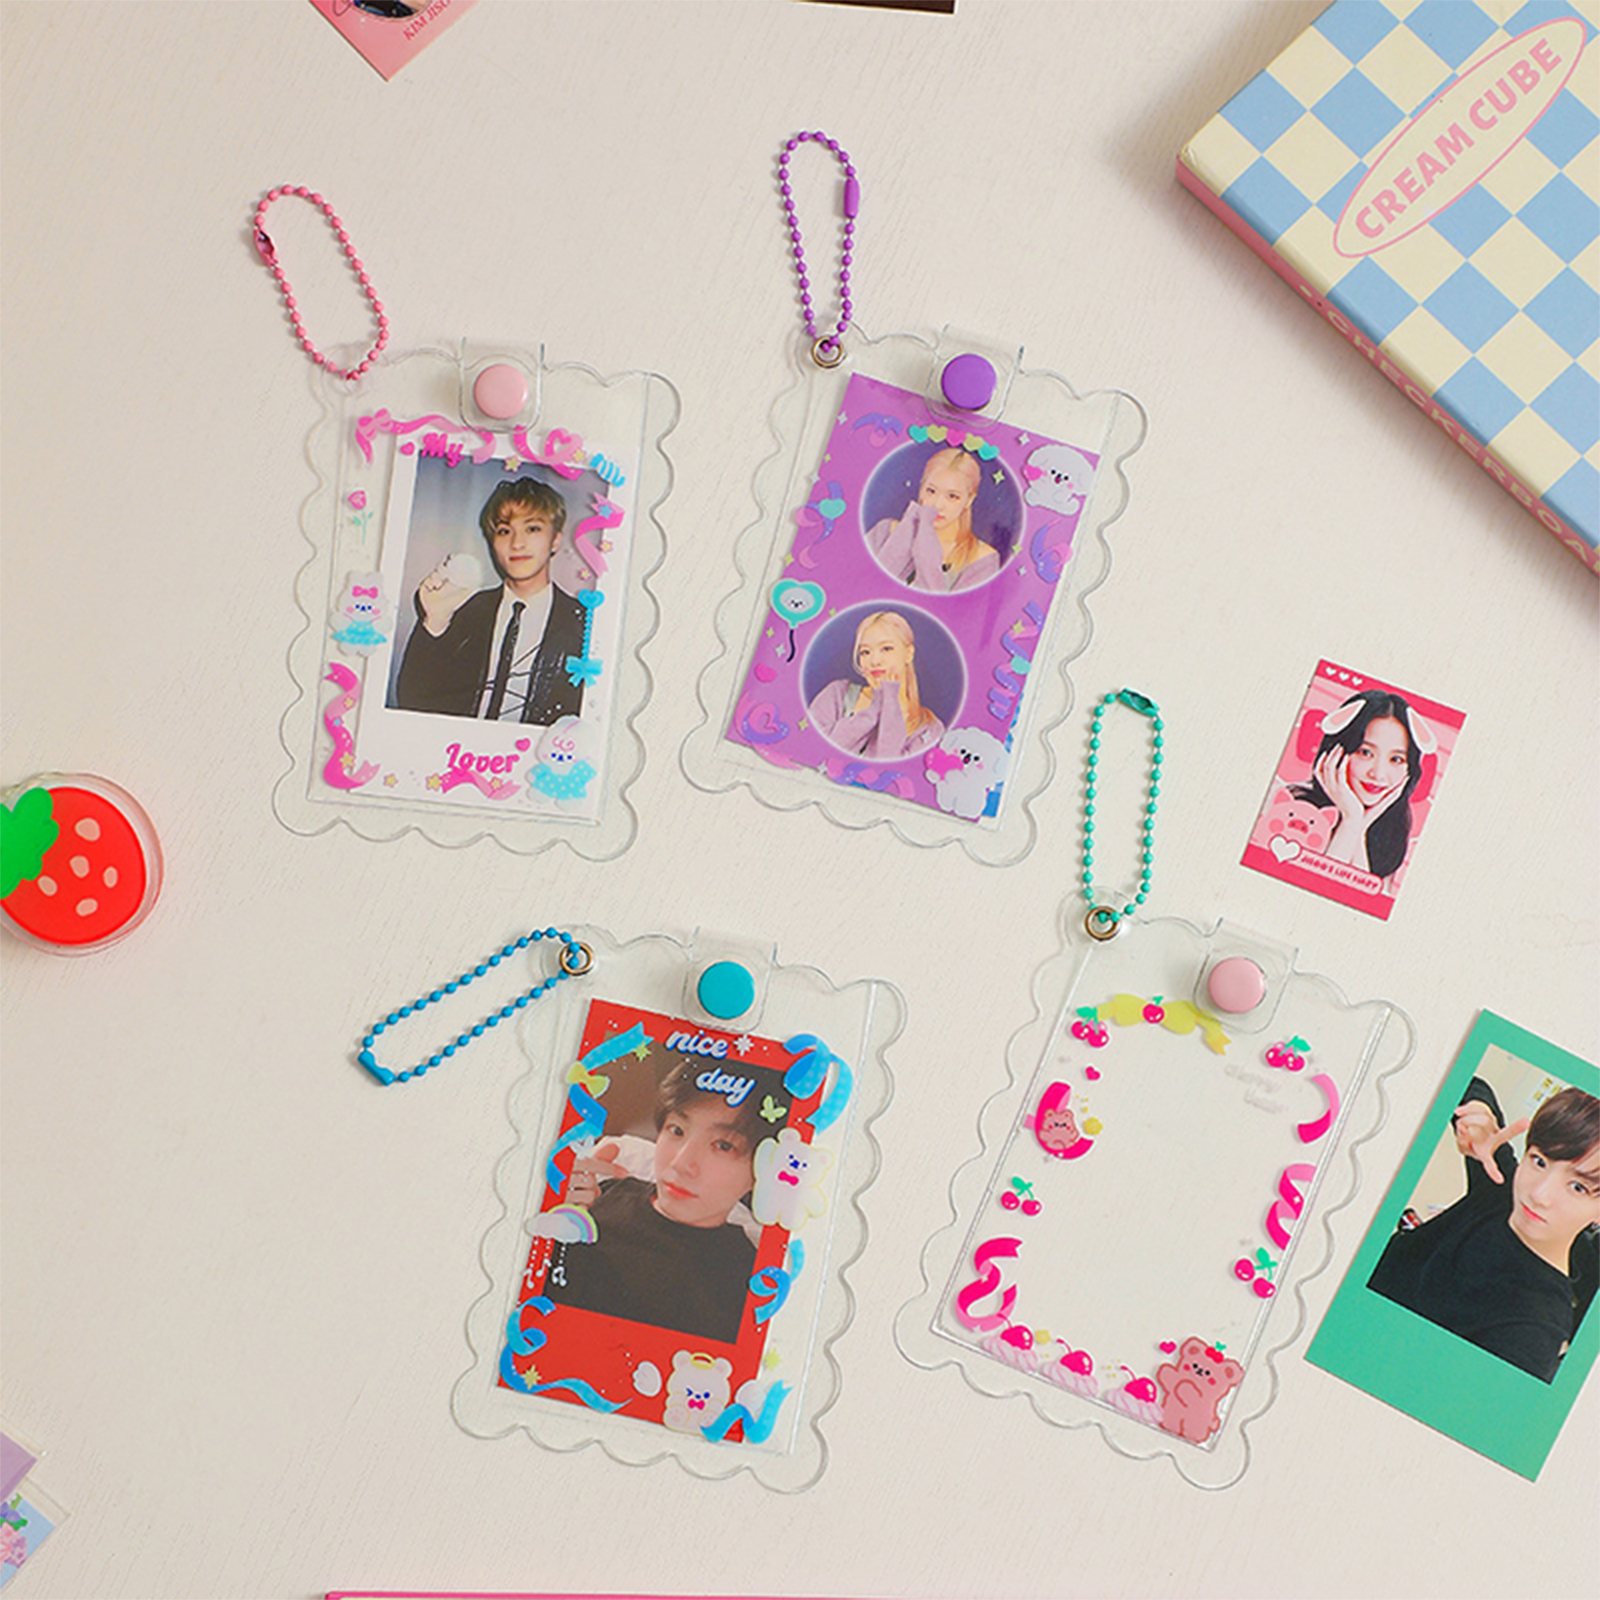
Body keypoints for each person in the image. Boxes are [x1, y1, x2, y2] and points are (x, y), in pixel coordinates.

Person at [1368, 1080, 1600, 1382]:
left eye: (1578, 1187)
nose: (1539, 1195)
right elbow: (1464, 1080)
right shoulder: (1501, 1189)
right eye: (1540, 1161)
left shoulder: (1534, 1331)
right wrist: (1477, 1115)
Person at [544, 1060, 768, 1345]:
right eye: (677, 1130)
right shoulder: (606, 1193)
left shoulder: (747, 1284)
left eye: (723, 1145)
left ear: (760, 1171)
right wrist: (550, 1217)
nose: (681, 1163)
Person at [393, 478, 587, 723]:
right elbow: (412, 701)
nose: (517, 543)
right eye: (504, 531)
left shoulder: (581, 624)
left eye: (532, 529)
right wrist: (435, 622)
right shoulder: (467, 609)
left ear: (555, 540)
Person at [1290, 688, 1430, 880]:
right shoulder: (1293, 808)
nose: (1378, 774)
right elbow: (1315, 883)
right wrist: (1351, 822)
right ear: (1336, 752)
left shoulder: (1394, 833)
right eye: (1365, 753)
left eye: (1396, 759)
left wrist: (1359, 826)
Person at [806, 611, 945, 761]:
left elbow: (885, 765)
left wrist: (890, 698)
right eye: (865, 652)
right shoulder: (837, 694)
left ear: (908, 653)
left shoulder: (930, 728)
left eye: (886, 649)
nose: (874, 661)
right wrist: (876, 704)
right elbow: (816, 750)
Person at [865, 447, 1002, 592]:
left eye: (952, 496)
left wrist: (927, 554)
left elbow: (948, 607)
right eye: (931, 491)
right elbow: (858, 585)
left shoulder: (982, 559)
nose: (937, 505)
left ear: (969, 500)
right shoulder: (885, 531)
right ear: (921, 487)